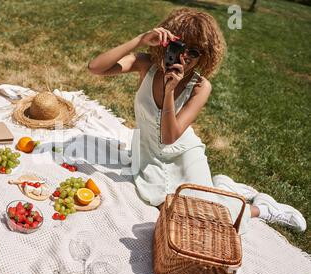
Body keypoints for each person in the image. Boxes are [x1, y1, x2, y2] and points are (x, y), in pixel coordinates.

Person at [88, 8, 306, 232]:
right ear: (166, 43)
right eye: (180, 47)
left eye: (195, 52)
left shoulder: (200, 87)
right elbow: (95, 68)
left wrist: (170, 91)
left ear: (206, 55)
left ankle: (263, 209)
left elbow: (169, 136)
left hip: (183, 152)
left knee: (208, 218)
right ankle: (223, 187)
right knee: (176, 213)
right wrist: (140, 40)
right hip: (149, 152)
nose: (185, 57)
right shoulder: (146, 65)